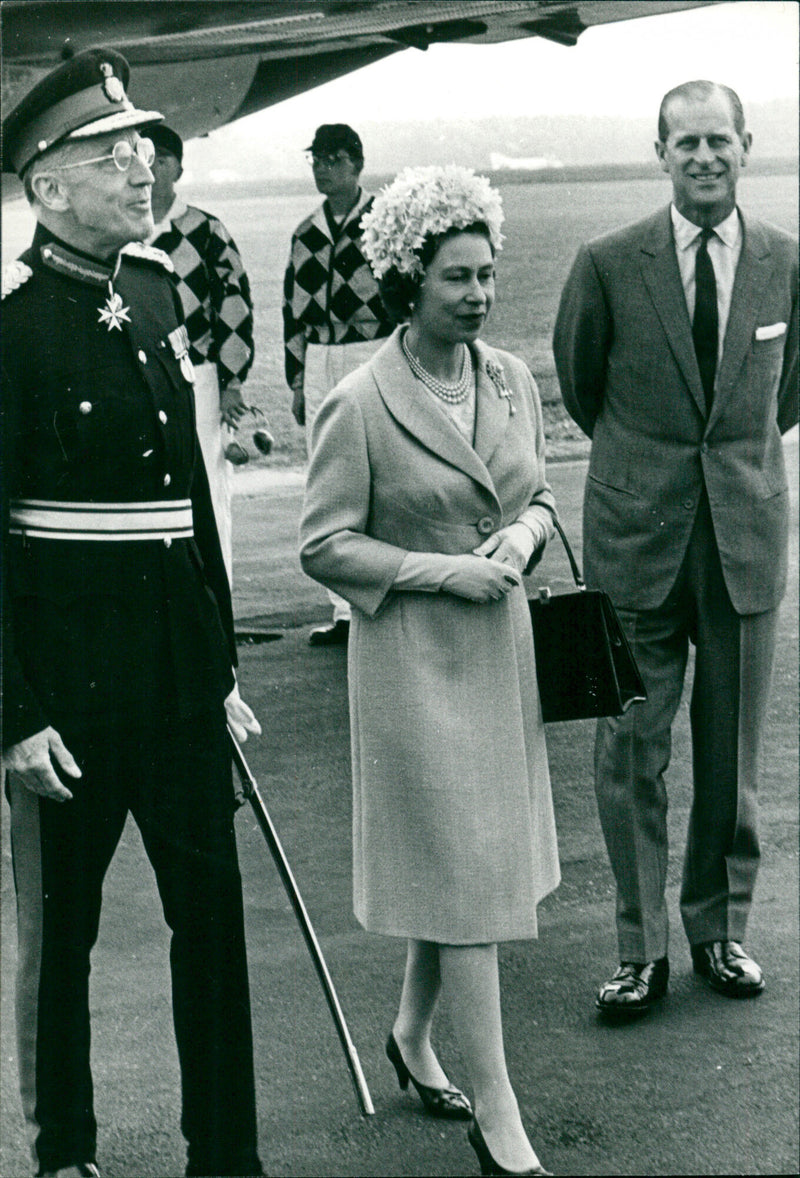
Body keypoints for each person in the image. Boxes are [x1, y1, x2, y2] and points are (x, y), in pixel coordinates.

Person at [1, 50, 264, 1177]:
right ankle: (65, 1150)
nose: (140, 165)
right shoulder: (11, 335)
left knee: (212, 924)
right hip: (69, 691)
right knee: (65, 939)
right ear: (46, 186)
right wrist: (14, 712)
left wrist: (223, 662)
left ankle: (228, 1158)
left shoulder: (151, 293)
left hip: (176, 676)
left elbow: (187, 497)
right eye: (109, 154)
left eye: (142, 148)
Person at [300, 165, 560, 1176]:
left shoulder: (507, 379)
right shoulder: (359, 401)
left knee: (464, 871)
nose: (479, 295)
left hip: (499, 661)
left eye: (487, 274)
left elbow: (537, 497)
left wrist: (522, 543)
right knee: (466, 882)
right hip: (410, 670)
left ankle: (410, 1038)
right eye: (457, 277)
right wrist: (434, 572)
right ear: (410, 278)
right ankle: (499, 1120)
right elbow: (323, 544)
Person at [553, 80, 798, 1019]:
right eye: (685, 142)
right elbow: (582, 382)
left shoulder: (786, 262)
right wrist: (648, 469)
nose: (703, 157)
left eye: (719, 141)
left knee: (731, 757)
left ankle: (718, 931)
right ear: (660, 153)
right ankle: (638, 948)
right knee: (630, 753)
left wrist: (728, 465)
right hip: (636, 540)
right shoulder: (609, 262)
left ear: (747, 146)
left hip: (742, 538)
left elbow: (786, 394)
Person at [284, 123, 393, 645]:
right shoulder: (306, 232)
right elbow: (292, 311)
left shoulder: (384, 221)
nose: (322, 168)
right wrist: (297, 378)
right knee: (327, 476)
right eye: (316, 159)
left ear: (356, 162)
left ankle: (385, 595)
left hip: (371, 348)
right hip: (321, 353)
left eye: (332, 159)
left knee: (379, 468)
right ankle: (345, 611)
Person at [148, 122, 255, 585]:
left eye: (163, 159)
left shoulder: (205, 230)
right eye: (144, 157)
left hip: (201, 376)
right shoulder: (121, 230)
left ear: (179, 167)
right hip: (142, 377)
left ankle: (220, 615)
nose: (152, 168)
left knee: (208, 490)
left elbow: (234, 303)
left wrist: (232, 382)